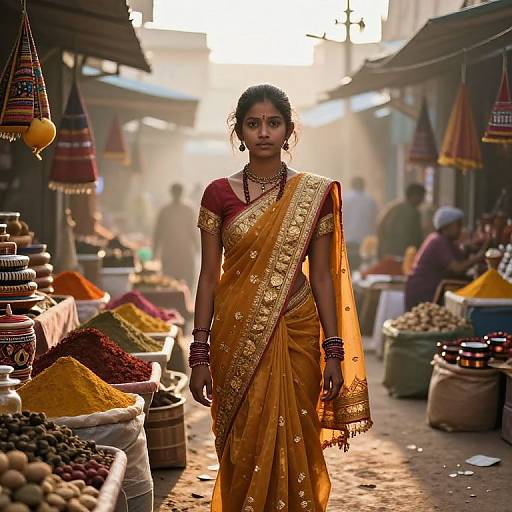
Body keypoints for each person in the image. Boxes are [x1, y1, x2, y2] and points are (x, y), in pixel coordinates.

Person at [189, 84, 372, 511]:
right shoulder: (217, 193)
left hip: (297, 329)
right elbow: (208, 277)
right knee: (243, 438)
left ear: (289, 131)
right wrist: (199, 354)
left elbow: (324, 279)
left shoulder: (314, 195)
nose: (264, 132)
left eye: (274, 123)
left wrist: (333, 351)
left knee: (297, 432)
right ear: (239, 132)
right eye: (253, 124)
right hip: (235, 336)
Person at [405, 206, 487, 310]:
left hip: (430, 289)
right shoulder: (438, 241)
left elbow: (460, 259)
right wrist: (478, 257)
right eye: (458, 225)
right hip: (423, 291)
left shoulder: (447, 242)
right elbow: (458, 268)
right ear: (446, 227)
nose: (460, 230)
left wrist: (468, 249)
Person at [153, 183, 199, 289]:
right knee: (170, 283)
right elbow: (158, 233)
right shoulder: (167, 211)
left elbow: (194, 231)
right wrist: (155, 251)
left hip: (183, 252)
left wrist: (198, 248)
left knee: (186, 280)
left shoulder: (188, 210)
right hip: (173, 252)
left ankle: (187, 304)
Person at [377, 183, 426, 259]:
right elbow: (415, 237)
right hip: (402, 256)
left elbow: (380, 228)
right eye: (421, 197)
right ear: (415, 196)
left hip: (386, 253)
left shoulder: (392, 207)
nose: (422, 200)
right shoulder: (413, 212)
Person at [343, 176, 377, 270]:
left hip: (348, 237)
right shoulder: (370, 200)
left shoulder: (345, 198)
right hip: (365, 238)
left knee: (347, 265)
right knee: (362, 265)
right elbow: (373, 219)